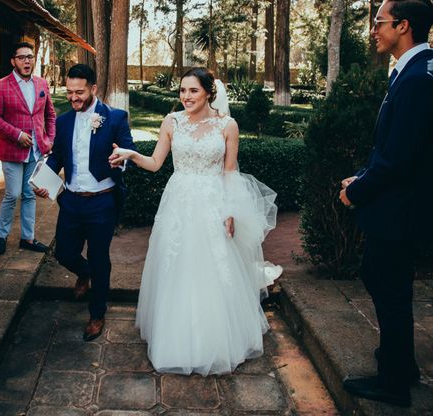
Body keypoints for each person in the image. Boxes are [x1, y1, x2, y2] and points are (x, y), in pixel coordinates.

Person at [109, 67, 281, 376]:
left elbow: (230, 171)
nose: (186, 96)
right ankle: (175, 339)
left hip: (214, 202)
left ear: (208, 92)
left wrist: (230, 210)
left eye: (193, 91)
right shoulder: (171, 122)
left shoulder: (228, 125)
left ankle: (216, 341)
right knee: (178, 265)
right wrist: (131, 154)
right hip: (178, 203)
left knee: (213, 268)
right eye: (183, 91)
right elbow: (156, 163)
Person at [339, 0, 433, 408]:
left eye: (379, 21)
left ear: (403, 26)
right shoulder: (414, 70)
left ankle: (393, 382)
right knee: (386, 283)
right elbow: (402, 147)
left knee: (387, 287)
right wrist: (360, 173)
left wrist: (354, 192)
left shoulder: (416, 80)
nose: (373, 29)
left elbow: (397, 160)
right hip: (401, 205)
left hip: (400, 212)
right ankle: (402, 362)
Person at [34, 64, 135, 341]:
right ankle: (85, 274)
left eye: (79, 92)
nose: (73, 97)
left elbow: (130, 150)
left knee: (99, 257)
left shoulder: (114, 118)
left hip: (102, 202)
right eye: (69, 92)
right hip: (70, 201)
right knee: (64, 253)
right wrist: (44, 179)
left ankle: (97, 313)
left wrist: (121, 158)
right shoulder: (65, 122)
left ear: (93, 89)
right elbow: (57, 156)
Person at [0, 42, 56, 255]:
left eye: (30, 57)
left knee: (29, 194)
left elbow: (50, 115)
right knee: (12, 194)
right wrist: (16, 134)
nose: (27, 61)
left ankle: (28, 238)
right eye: (22, 57)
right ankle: (1, 235)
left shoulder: (42, 83)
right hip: (12, 150)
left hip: (36, 151)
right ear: (13, 61)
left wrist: (49, 139)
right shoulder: (0, 85)